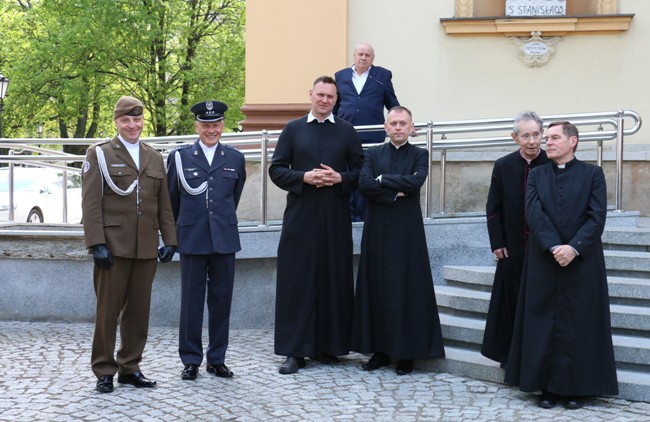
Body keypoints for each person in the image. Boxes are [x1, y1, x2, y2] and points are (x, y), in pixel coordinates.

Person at [504, 121, 618, 409]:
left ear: (573, 141)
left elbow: (596, 217)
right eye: (548, 138)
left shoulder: (593, 174)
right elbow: (533, 213)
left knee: (579, 324)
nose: (548, 142)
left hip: (583, 261)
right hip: (544, 259)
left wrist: (574, 248)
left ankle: (577, 389)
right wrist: (555, 246)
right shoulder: (537, 175)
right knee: (543, 323)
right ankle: (547, 388)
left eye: (555, 138)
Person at [81, 96, 177, 393]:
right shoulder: (99, 154)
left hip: (145, 245)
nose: (132, 125)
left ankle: (130, 366)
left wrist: (170, 240)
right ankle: (104, 369)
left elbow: (164, 205)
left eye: (137, 120)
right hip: (114, 245)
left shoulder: (154, 156)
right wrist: (97, 243)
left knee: (139, 311)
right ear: (117, 122)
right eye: (126, 120)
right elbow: (91, 203)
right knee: (108, 311)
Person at [269, 75, 364, 374]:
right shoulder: (293, 129)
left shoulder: (347, 132)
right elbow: (276, 170)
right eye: (320, 95)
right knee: (297, 280)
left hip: (335, 216)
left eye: (330, 97)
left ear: (337, 100)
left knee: (334, 277)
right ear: (311, 94)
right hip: (301, 216)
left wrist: (341, 178)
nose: (325, 100)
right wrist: (303, 177)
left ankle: (329, 346)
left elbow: (361, 170)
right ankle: (295, 351)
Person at [351, 106, 445, 375]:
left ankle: (407, 354)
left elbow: (416, 183)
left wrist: (383, 179)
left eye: (403, 123)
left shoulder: (420, 154)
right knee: (376, 285)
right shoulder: (373, 153)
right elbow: (364, 184)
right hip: (377, 227)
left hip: (407, 231)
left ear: (411, 127)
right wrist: (393, 193)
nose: (398, 128)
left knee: (407, 287)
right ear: (385, 126)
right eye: (393, 123)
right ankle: (379, 350)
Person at [166, 100, 246, 381]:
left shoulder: (235, 158)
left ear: (222, 126)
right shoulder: (181, 157)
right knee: (191, 301)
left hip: (224, 238)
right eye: (205, 125)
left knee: (222, 301)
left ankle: (217, 358)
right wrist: (172, 237)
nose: (211, 130)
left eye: (216, 124)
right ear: (197, 126)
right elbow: (172, 199)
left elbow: (232, 198)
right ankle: (190, 360)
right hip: (192, 237)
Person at [481, 111, 549, 368]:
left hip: (543, 249)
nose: (532, 141)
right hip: (511, 248)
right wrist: (497, 242)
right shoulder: (504, 165)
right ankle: (510, 356)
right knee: (511, 303)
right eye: (525, 136)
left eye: (536, 135)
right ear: (515, 137)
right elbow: (493, 207)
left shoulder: (551, 162)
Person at [334, 42, 400, 222]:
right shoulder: (340, 76)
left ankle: (363, 216)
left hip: (371, 137)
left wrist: (403, 122)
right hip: (345, 136)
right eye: (360, 54)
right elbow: (335, 106)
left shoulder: (382, 75)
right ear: (354, 56)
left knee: (366, 175)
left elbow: (391, 103)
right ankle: (348, 214)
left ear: (373, 58)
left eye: (367, 55)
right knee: (347, 174)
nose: (363, 58)